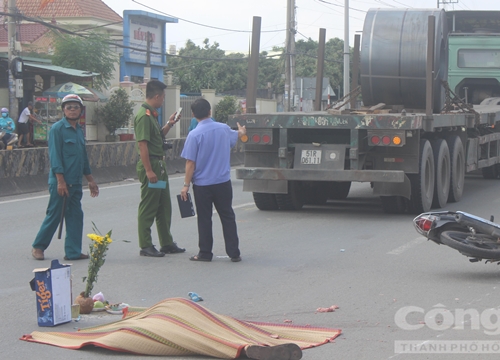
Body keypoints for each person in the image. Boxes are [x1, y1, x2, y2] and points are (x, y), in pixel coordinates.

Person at [31, 94, 99, 261]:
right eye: (69, 107)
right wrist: (60, 181)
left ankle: (73, 251)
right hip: (61, 182)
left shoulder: (78, 131)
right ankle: (38, 246)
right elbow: (55, 158)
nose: (72, 110)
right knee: (55, 215)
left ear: (81, 111)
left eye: (76, 107)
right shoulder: (57, 129)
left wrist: (90, 180)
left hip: (75, 182)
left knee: (76, 216)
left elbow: (83, 158)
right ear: (63, 110)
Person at [180, 98, 246, 262]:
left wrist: (185, 185)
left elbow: (190, 163)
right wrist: (241, 132)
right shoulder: (223, 129)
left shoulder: (194, 135)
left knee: (204, 218)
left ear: (193, 114)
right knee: (227, 216)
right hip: (223, 182)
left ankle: (205, 253)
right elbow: (237, 136)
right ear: (210, 111)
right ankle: (234, 252)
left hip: (203, 185)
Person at [134, 79, 185, 257]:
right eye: (162, 98)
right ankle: (145, 245)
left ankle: (166, 242)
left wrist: (170, 124)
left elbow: (157, 137)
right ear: (156, 96)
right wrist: (149, 171)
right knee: (149, 206)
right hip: (153, 165)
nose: (163, 101)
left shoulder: (152, 115)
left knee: (164, 206)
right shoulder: (143, 116)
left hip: (159, 165)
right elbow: (143, 146)